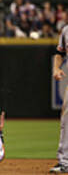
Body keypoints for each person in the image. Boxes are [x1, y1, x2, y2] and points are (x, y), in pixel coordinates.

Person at [49, 25, 68, 173]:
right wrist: (56, 68)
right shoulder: (66, 31)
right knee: (66, 121)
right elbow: (59, 53)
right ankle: (64, 162)